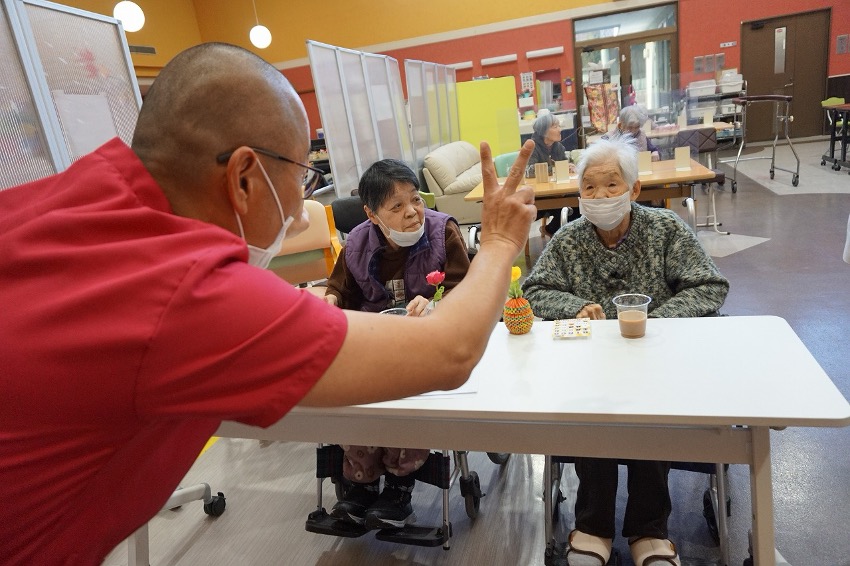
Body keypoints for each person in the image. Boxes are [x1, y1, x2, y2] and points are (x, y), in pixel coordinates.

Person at [0, 42, 536, 565]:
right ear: (244, 177)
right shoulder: (191, 293)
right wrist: (500, 241)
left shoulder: (48, 200)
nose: (302, 210)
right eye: (301, 177)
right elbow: (450, 351)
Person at [522, 137, 729, 566]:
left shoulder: (665, 229)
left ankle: (649, 529)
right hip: (591, 366)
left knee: (649, 413)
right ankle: (593, 525)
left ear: (634, 189)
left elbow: (710, 286)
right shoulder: (569, 239)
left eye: (611, 185)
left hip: (657, 361)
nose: (600, 196)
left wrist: (660, 320)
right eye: (590, 187)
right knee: (590, 411)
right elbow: (535, 289)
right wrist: (575, 306)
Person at [322, 158, 470, 529]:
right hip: (373, 345)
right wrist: (330, 300)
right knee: (352, 396)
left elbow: (466, 290)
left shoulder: (443, 232)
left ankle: (399, 486)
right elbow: (339, 289)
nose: (412, 212)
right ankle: (361, 483)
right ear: (372, 214)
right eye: (397, 206)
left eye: (415, 199)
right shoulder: (356, 244)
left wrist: (437, 303)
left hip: (426, 344)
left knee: (407, 395)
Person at [527, 111, 575, 238]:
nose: (560, 129)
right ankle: (556, 232)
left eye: (559, 126)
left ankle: (551, 229)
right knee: (569, 204)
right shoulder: (532, 146)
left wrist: (569, 167)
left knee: (578, 202)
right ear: (544, 131)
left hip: (558, 192)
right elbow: (529, 171)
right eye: (555, 127)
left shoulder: (558, 147)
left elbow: (563, 165)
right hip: (539, 196)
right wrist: (554, 169)